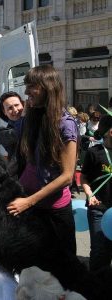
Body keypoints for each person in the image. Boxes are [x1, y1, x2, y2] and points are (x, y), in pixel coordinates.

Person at [6, 65, 78, 255]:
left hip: (53, 212)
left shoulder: (65, 124)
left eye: (32, 86)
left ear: (48, 88)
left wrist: (29, 201)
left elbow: (67, 176)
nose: (26, 91)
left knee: (62, 270)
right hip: (28, 207)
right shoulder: (32, 118)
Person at [80, 115, 112, 272]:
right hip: (99, 208)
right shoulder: (94, 152)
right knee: (100, 252)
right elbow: (84, 177)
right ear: (109, 132)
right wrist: (89, 194)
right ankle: (96, 286)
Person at [0, 91, 24, 177]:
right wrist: (26, 115)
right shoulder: (2, 132)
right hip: (19, 176)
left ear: (23, 105)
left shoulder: (32, 122)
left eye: (17, 105)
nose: (15, 110)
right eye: (10, 108)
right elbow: (19, 131)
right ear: (4, 112)